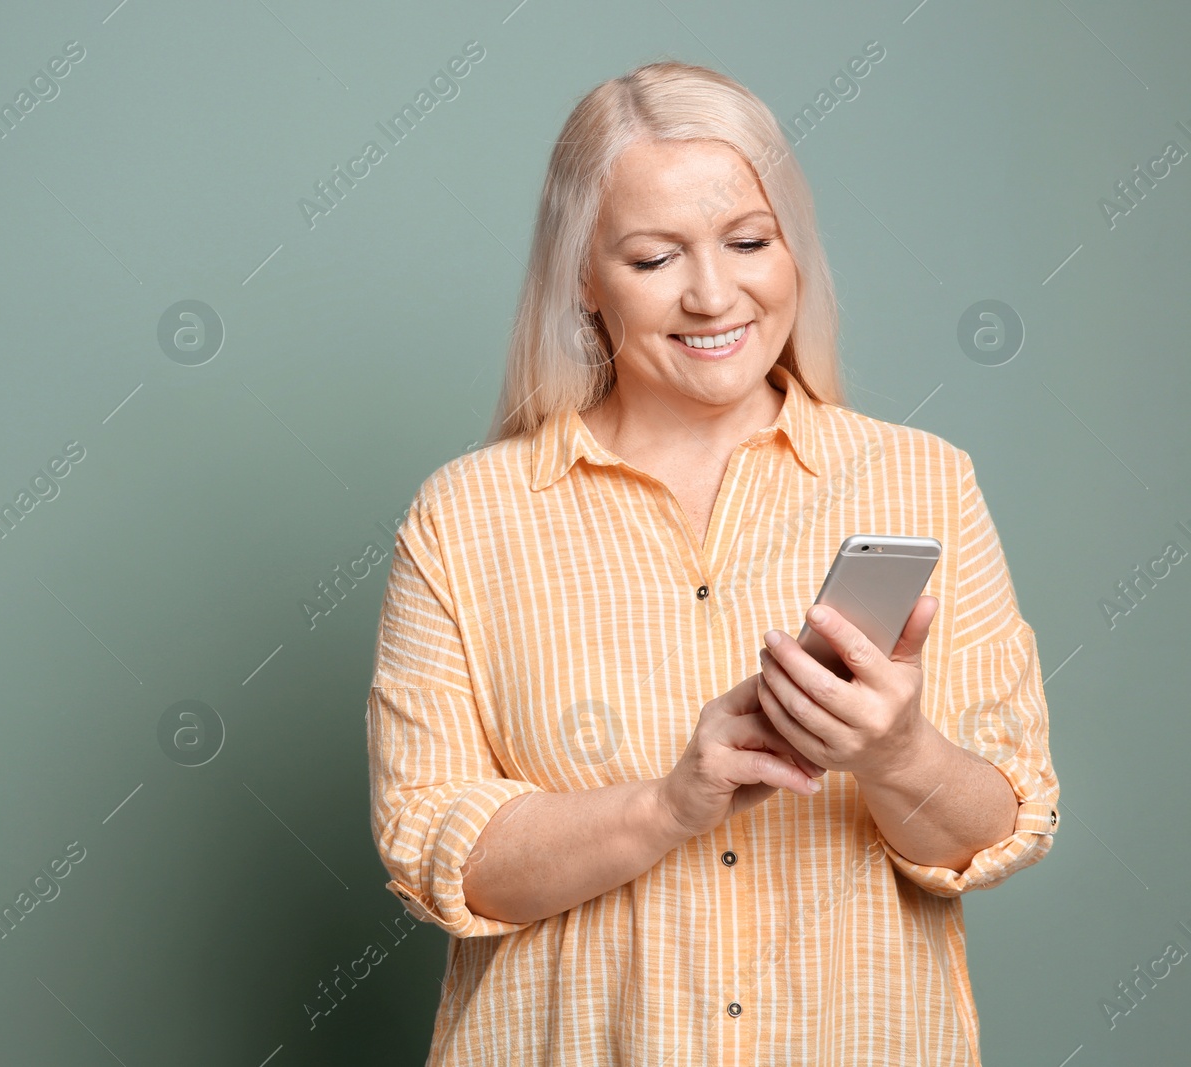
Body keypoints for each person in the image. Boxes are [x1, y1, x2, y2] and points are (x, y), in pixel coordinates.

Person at [364, 58, 1060, 1066]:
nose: (712, 293)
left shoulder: (922, 483)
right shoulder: (466, 516)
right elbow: (441, 856)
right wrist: (667, 802)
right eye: (652, 258)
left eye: (748, 241)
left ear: (793, 249)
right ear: (581, 281)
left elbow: (1001, 821)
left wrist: (897, 751)